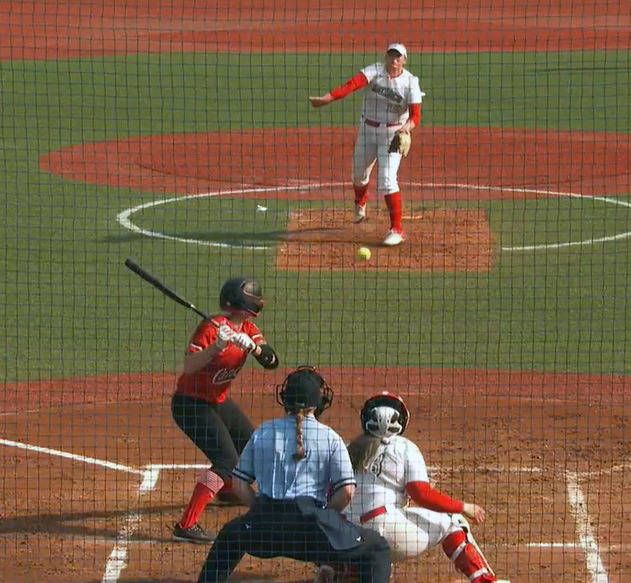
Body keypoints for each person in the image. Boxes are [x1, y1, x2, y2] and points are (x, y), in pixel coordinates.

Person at [197, 366, 392, 583]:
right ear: (317, 402)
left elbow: (239, 484)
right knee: (377, 548)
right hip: (313, 535)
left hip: (264, 530)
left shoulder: (263, 432)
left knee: (229, 536)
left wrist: (260, 511)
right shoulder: (330, 438)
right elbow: (346, 492)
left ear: (285, 398)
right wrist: (324, 515)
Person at [343, 391, 509, 583]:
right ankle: (484, 580)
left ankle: (347, 571)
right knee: (453, 520)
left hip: (347, 537)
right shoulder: (404, 447)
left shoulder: (348, 449)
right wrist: (464, 507)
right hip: (386, 534)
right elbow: (421, 495)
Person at [171, 276, 279, 544]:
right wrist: (217, 347)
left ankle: (228, 488)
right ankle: (186, 525)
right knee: (225, 460)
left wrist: (253, 347)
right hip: (190, 404)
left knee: (250, 445)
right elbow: (189, 367)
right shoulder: (211, 329)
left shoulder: (250, 329)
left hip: (217, 401)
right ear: (243, 304)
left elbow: (272, 361)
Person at [309, 42, 425, 247]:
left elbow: (416, 115)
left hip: (393, 134)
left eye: (399, 57)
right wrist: (327, 99)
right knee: (359, 174)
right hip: (367, 131)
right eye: (391, 55)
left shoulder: (410, 82)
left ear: (404, 60)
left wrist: (407, 127)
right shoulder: (374, 71)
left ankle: (397, 229)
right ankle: (360, 202)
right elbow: (351, 85)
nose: (394, 60)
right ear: (386, 57)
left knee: (388, 180)